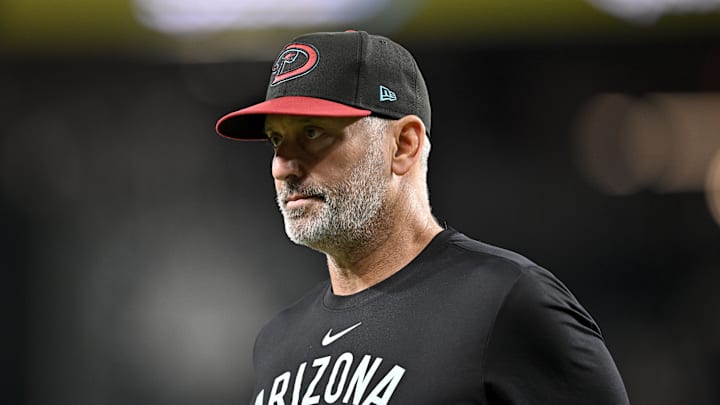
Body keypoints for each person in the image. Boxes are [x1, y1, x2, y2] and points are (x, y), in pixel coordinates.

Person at [215, 30, 630, 405]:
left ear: (404, 146)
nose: (283, 166)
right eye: (276, 140)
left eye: (311, 133)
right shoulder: (278, 343)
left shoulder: (504, 304)